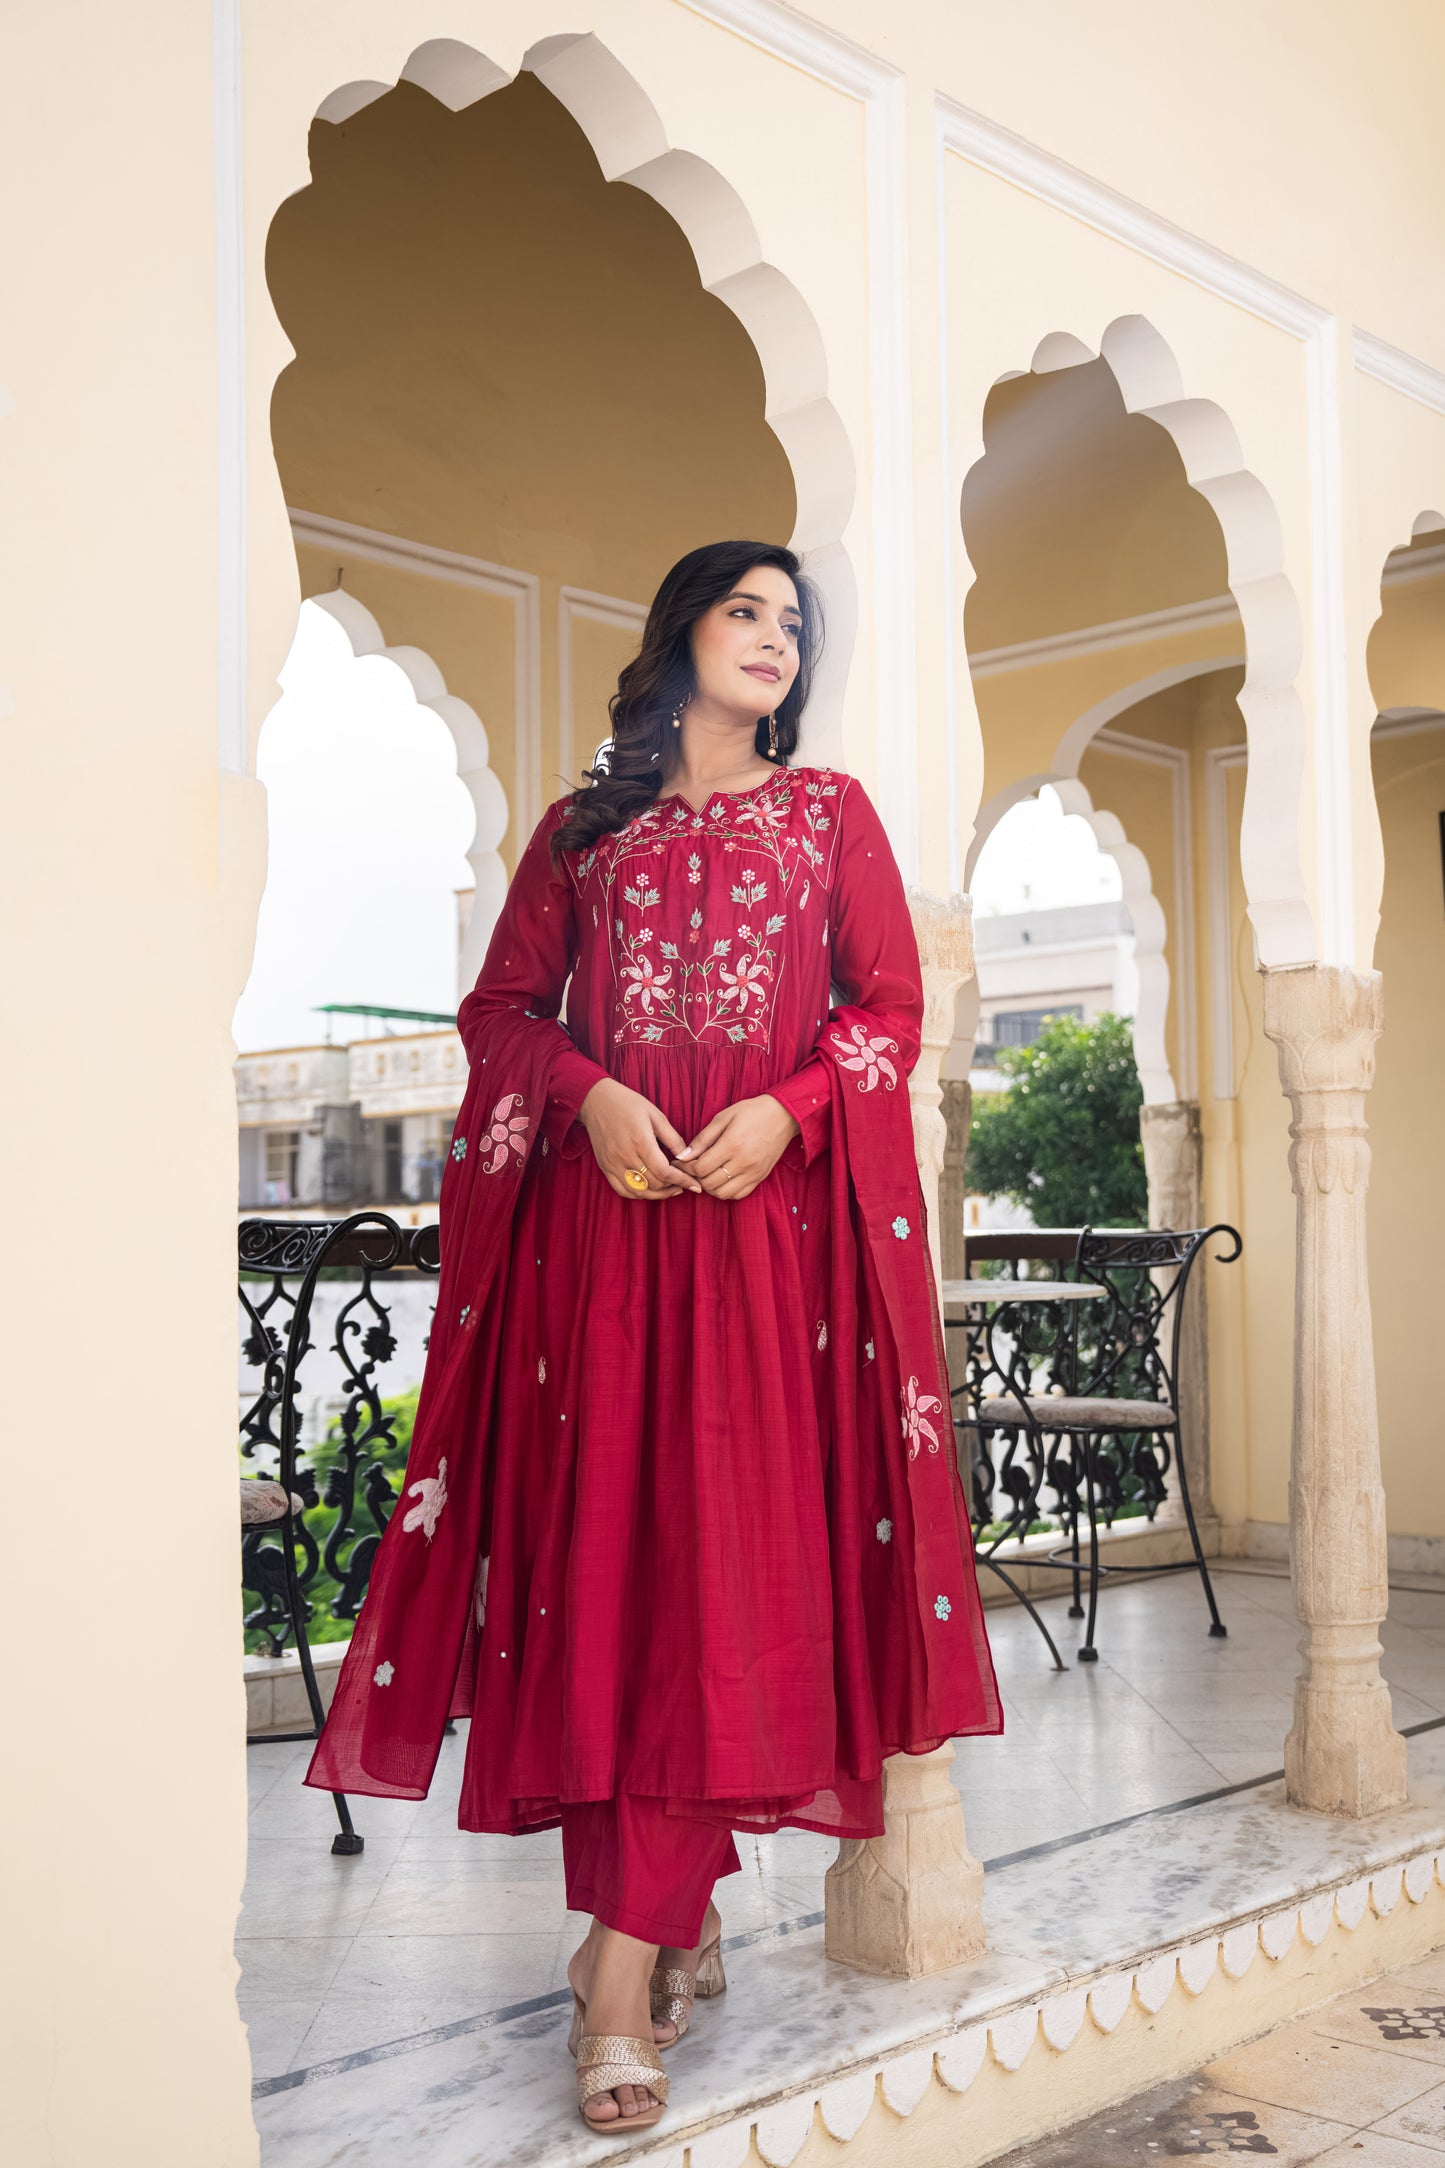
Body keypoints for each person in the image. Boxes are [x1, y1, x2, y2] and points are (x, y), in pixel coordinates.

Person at [307, 539, 1002, 2132]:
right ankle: (654, 1929)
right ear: (681, 629)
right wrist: (591, 1088)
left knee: (728, 1592)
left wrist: (790, 1104)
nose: (771, 637)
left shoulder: (828, 816)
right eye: (744, 609)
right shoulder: (583, 830)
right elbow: (499, 1016)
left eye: (792, 622)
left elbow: (889, 1014)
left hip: (768, 1263)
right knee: (613, 1590)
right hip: (603, 1263)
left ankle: (616, 1972)